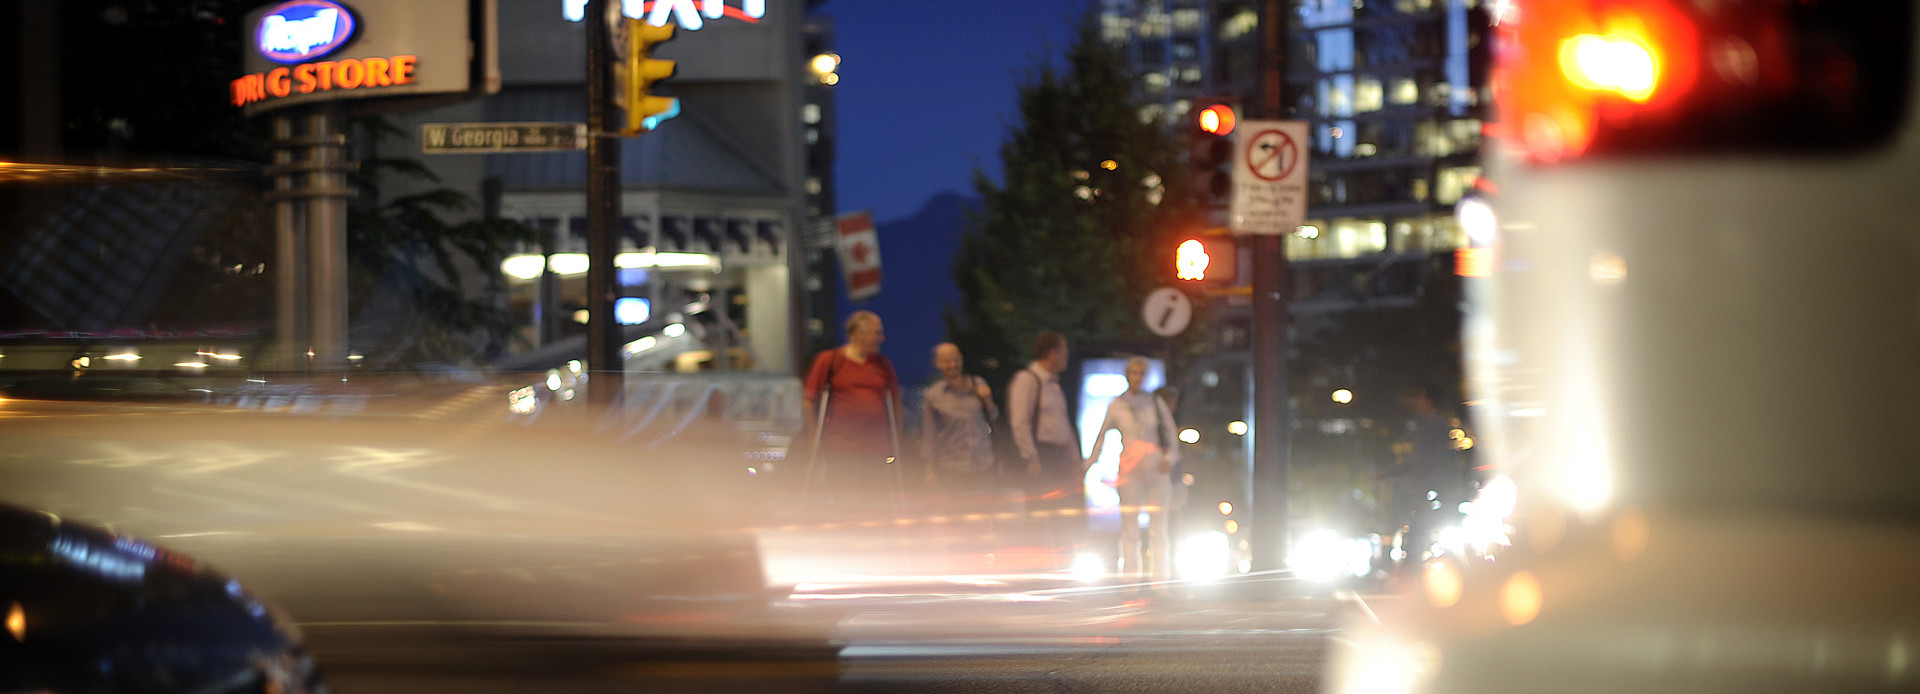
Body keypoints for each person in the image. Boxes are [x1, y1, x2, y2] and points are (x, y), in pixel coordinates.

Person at [1084, 357, 1180, 585]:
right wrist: (1089, 464)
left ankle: (1160, 582)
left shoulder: (1155, 402)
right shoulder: (1118, 404)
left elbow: (1170, 432)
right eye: (1133, 372)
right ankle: (1130, 581)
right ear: (1127, 375)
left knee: (1159, 528)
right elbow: (1101, 436)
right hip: (1130, 469)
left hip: (1155, 467)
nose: (1137, 377)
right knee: (1130, 528)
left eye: (1141, 373)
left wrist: (1170, 458)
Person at [802, 311, 903, 498]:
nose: (881, 338)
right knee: (844, 497)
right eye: (876, 333)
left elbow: (896, 401)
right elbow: (810, 399)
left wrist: (895, 434)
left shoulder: (883, 365)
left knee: (875, 500)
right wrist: (813, 435)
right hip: (841, 447)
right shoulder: (830, 360)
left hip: (876, 448)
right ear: (859, 334)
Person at [1375, 385, 1465, 578]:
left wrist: (1428, 489)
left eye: (1421, 398)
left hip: (1430, 489)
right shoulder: (1427, 424)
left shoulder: (1435, 425)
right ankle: (1410, 573)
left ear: (1429, 400)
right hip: (1426, 488)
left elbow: (1429, 460)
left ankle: (1410, 574)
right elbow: (1419, 460)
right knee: (1416, 530)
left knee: (1418, 531)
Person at [1007, 331, 1083, 552]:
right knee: (1040, 516)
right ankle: (1039, 564)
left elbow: (1063, 426)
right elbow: (1020, 422)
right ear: (1052, 353)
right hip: (1043, 456)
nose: (1066, 356)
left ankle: (1061, 561)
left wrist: (1074, 460)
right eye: (1063, 351)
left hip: (1058, 458)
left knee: (1062, 515)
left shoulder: (1053, 383)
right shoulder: (1029, 379)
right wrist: (1031, 458)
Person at [920, 343, 998, 493]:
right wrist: (928, 469)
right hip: (952, 467)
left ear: (961, 359)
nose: (953, 365)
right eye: (947, 361)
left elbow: (993, 417)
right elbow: (929, 433)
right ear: (938, 363)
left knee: (986, 513)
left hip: (983, 463)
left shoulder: (978, 384)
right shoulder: (934, 395)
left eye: (955, 360)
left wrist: (987, 399)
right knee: (956, 513)